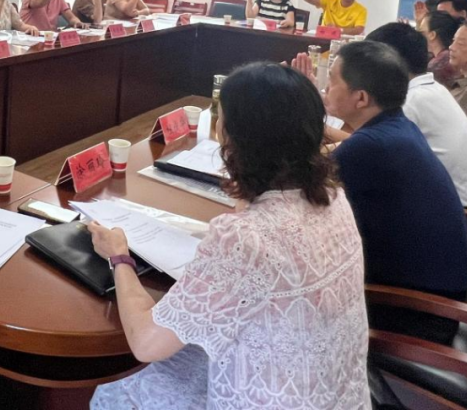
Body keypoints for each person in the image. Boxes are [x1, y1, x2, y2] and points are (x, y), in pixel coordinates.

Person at [88, 63, 370, 409]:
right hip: (337, 395)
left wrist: (119, 256)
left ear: (234, 139)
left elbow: (146, 343)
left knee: (116, 390)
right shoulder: (333, 196)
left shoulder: (244, 238)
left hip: (273, 398)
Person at [326, 41, 467, 344]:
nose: (326, 89)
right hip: (437, 294)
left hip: (412, 313)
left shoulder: (370, 146)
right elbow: (337, 155)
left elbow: (298, 192)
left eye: (332, 81)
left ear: (361, 98)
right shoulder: (398, 127)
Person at [366, 23, 467, 206]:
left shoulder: (412, 100)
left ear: (389, 63)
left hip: (442, 204)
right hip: (446, 193)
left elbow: (368, 146)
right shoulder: (432, 89)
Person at [422, 11, 463, 87]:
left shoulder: (435, 67)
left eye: (422, 32)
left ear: (432, 35)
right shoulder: (450, 57)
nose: (418, 36)